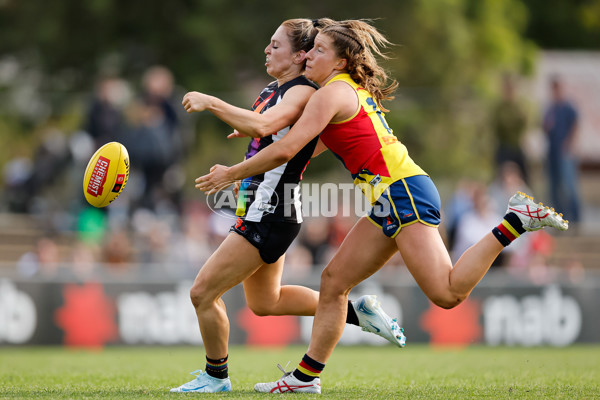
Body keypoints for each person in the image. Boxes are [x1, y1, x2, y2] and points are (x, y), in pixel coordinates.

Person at [195, 19, 569, 394]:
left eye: (320, 50)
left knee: (447, 293)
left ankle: (515, 221)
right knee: (334, 282)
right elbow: (303, 144)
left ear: (340, 62)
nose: (310, 55)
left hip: (403, 191)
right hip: (390, 196)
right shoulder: (337, 90)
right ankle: (305, 379)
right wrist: (256, 140)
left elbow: (289, 148)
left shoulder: (330, 93)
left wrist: (233, 172)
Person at [170, 18, 404, 394]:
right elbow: (266, 130)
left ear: (299, 55)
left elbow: (267, 128)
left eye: (275, 45)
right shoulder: (273, 88)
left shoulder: (302, 92)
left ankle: (216, 377)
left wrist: (212, 103)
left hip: (272, 210)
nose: (267, 50)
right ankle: (355, 312)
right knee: (267, 302)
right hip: (263, 206)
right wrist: (248, 130)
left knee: (202, 292)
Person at [543, 76, 581, 226]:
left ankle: (576, 218)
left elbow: (575, 125)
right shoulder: (550, 108)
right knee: (554, 186)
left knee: (569, 186)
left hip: (564, 153)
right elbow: (545, 127)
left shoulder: (568, 107)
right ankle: (559, 218)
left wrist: (569, 144)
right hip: (552, 152)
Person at [491, 74, 528, 182]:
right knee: (502, 178)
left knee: (523, 178)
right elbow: (498, 126)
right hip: (503, 146)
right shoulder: (500, 108)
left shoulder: (519, 107)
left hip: (516, 146)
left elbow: (523, 124)